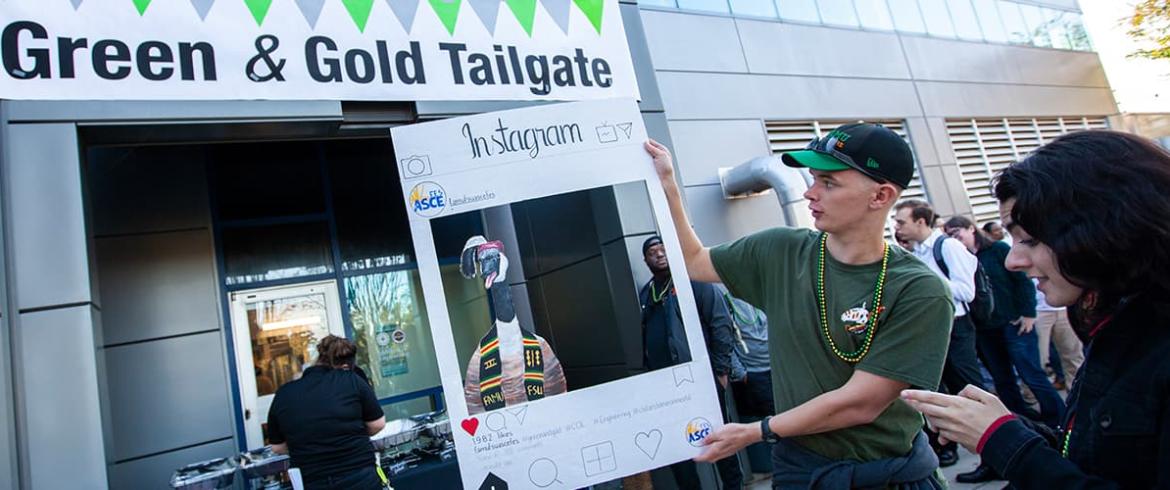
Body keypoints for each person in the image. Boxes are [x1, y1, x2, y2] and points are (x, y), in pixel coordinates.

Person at [646, 123, 953, 488]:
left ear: (880, 196)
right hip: (801, 470)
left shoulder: (918, 289)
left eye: (829, 182)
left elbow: (861, 402)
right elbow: (695, 261)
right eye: (812, 180)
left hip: (887, 473)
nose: (810, 193)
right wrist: (667, 184)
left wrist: (756, 431)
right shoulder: (782, 250)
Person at [902, 130, 1170, 487]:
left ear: (1106, 227)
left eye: (1029, 239)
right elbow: (1096, 457)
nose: (1014, 259)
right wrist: (1010, 429)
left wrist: (1002, 440)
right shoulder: (1113, 321)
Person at [943, 215, 1065, 484]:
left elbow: (1021, 282)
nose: (953, 236)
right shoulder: (962, 255)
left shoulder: (998, 250)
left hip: (1013, 322)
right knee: (1003, 381)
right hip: (986, 328)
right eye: (948, 232)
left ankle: (1060, 424)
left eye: (957, 231)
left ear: (970, 229)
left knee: (1031, 373)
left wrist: (1028, 313)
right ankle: (1017, 426)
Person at [638, 235, 743, 489]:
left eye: (663, 249)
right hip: (666, 385)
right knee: (677, 444)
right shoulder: (646, 292)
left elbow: (721, 324)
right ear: (646, 260)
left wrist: (721, 370)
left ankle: (734, 486)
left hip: (703, 378)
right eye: (653, 251)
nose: (659, 254)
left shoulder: (693, 282)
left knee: (717, 435)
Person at [893, 199, 983, 467]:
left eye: (901, 222)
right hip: (929, 329)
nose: (896, 227)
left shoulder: (949, 247)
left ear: (921, 222)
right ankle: (947, 447)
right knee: (936, 393)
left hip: (956, 328)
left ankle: (992, 454)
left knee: (967, 389)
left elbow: (966, 292)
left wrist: (926, 280)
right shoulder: (916, 252)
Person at [268, 335, 387, 490]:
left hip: (313, 481)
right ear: (344, 365)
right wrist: (350, 433)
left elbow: (277, 447)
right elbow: (378, 424)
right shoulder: (352, 380)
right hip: (360, 476)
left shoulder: (283, 394)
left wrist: (309, 444)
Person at [1033, 280, 1083, 391]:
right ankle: (1031, 398)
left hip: (1066, 308)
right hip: (1037, 310)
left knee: (1073, 357)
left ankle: (1076, 395)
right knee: (1038, 359)